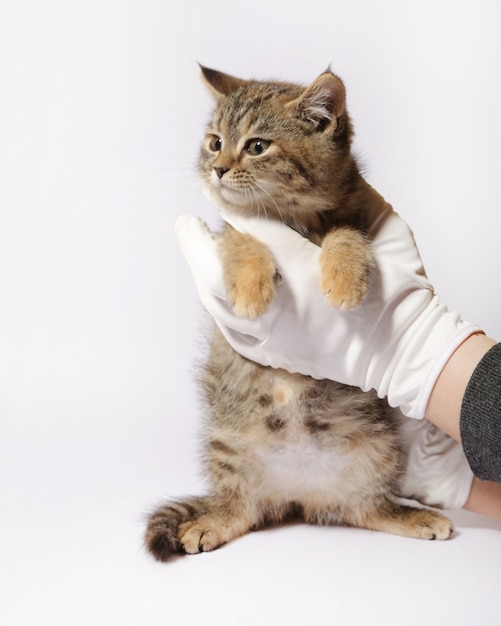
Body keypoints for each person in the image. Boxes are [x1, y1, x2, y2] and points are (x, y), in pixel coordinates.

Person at [174, 188, 501, 522]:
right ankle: (236, 508)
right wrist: (448, 469)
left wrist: (413, 340)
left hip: (338, 438)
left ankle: (369, 509)